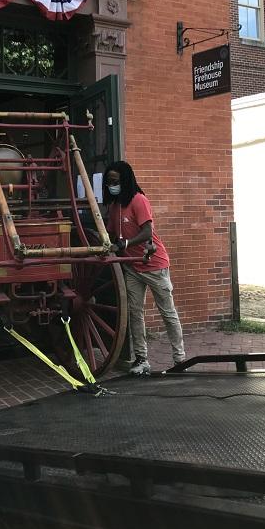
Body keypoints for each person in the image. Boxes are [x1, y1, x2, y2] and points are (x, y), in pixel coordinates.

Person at [103, 161, 185, 376]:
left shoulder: (139, 201)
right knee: (135, 313)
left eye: (116, 181)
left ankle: (179, 358)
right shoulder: (114, 207)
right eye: (109, 182)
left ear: (125, 181)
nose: (112, 185)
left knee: (167, 313)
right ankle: (142, 359)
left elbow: (147, 232)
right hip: (132, 268)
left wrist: (126, 244)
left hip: (154, 265)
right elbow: (111, 233)